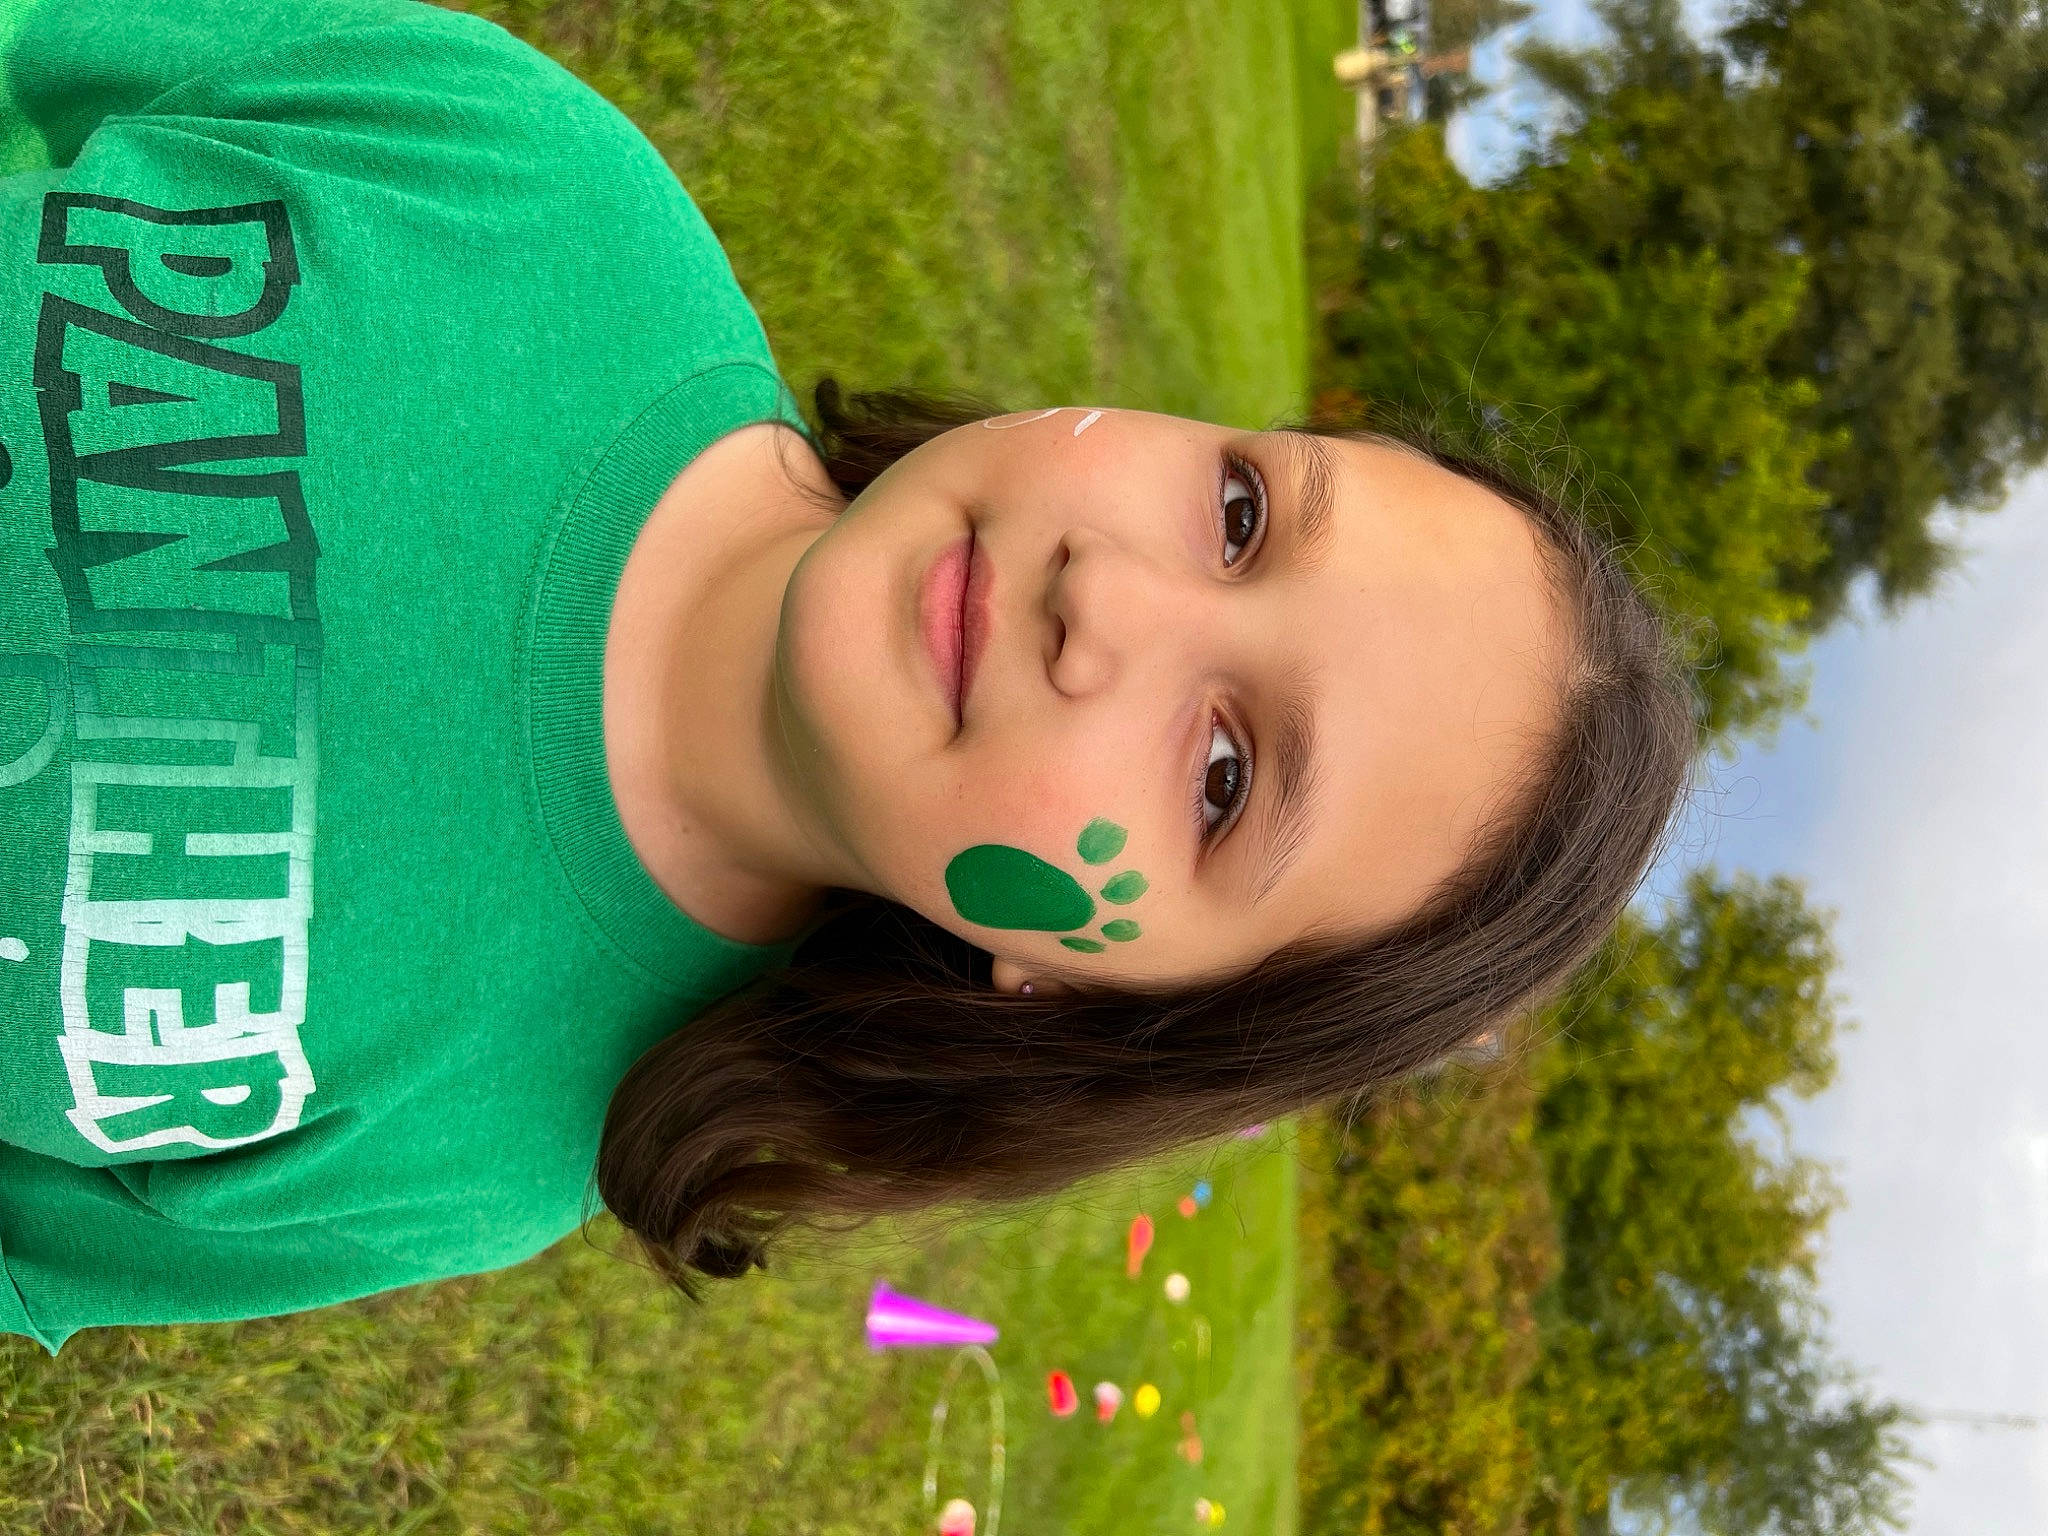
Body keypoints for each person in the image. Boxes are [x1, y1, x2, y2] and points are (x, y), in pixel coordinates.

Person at [0, 0, 1699, 1356]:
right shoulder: (526, 187)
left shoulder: (477, 1157)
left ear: (1088, 994)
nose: (1106, 604)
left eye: (1223, 778)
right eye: (1241, 514)